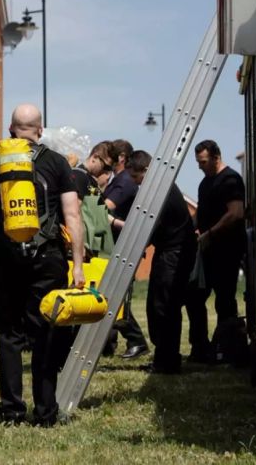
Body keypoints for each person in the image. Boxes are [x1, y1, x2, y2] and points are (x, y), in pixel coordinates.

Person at [0, 104, 85, 427]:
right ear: (40, 129)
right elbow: (73, 217)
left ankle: (11, 412)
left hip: (3, 259)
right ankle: (46, 412)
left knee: (9, 335)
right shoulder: (57, 163)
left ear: (10, 129)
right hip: (47, 258)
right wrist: (77, 265)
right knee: (46, 333)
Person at [126, 150, 197, 374]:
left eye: (137, 178)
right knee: (159, 306)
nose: (136, 184)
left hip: (173, 253)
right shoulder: (163, 186)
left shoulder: (160, 190)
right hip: (170, 251)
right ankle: (164, 358)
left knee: (164, 307)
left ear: (146, 171)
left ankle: (167, 362)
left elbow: (150, 226)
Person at [188, 139, 246, 362]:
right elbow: (201, 213)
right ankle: (201, 348)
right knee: (194, 297)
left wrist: (210, 233)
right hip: (207, 250)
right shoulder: (205, 183)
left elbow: (236, 213)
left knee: (224, 301)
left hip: (227, 250)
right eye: (198, 162)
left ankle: (228, 349)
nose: (200, 166)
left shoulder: (230, 180)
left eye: (203, 162)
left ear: (216, 157)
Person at [103, 139, 150, 359]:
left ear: (120, 158)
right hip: (118, 246)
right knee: (111, 296)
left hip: (122, 247)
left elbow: (106, 208)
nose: (107, 161)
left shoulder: (124, 182)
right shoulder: (120, 180)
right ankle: (110, 343)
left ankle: (137, 341)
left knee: (117, 297)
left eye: (110, 156)